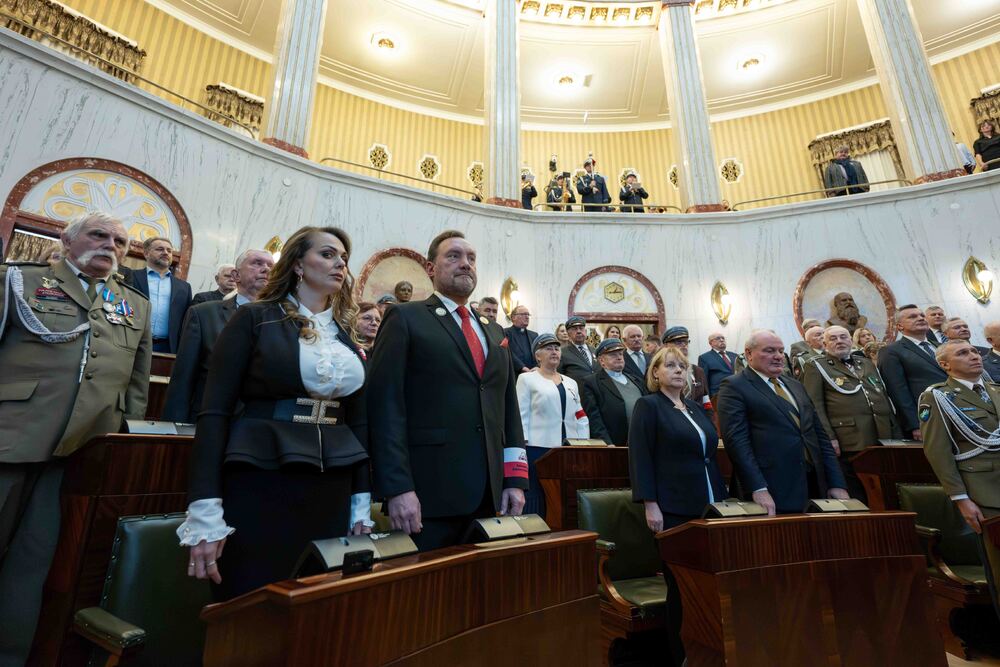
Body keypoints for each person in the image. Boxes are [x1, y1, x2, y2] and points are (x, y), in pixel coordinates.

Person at [178, 226, 371, 601]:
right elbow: (214, 412)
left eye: (344, 259)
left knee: (315, 600)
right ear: (298, 264)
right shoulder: (254, 319)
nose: (340, 264)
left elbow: (357, 421)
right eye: (328, 254)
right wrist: (204, 507)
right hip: (263, 475)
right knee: (253, 595)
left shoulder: (345, 336)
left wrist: (361, 499)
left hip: (331, 482)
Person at [0, 212, 151, 663]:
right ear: (67, 240)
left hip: (80, 452)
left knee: (32, 567)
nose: (110, 245)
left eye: (120, 241)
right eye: (99, 234)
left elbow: (136, 387)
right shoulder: (19, 282)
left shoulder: (134, 304)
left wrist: (123, 445)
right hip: (11, 439)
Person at [367, 230, 526, 552]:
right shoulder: (405, 317)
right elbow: (385, 406)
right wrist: (397, 487)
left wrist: (515, 480)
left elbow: (508, 411)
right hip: (427, 492)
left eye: (471, 258)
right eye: (453, 256)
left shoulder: (494, 331)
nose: (465, 264)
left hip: (488, 493)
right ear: (430, 268)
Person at [629, 345, 727, 667]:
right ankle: (681, 656)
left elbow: (710, 454)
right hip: (673, 508)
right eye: (669, 365)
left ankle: (710, 650)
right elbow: (640, 457)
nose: (677, 371)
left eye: (682, 366)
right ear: (655, 373)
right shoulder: (649, 406)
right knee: (682, 588)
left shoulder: (696, 409)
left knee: (711, 585)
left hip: (711, 505)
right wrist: (650, 503)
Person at [717, 330, 848, 514]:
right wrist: (758, 488)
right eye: (770, 351)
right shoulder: (734, 386)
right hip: (772, 488)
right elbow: (737, 443)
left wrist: (836, 483)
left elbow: (820, 436)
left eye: (780, 351)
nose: (778, 356)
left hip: (815, 485)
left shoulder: (795, 385)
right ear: (748, 354)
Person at [162, 249, 273, 423]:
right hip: (210, 421)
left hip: (258, 427)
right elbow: (183, 380)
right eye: (257, 263)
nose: (266, 269)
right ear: (236, 275)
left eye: (270, 266)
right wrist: (174, 429)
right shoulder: (203, 314)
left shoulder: (283, 320)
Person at [802, 326, 900, 501]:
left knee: (886, 489)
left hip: (882, 435)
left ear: (850, 340)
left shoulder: (866, 362)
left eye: (843, 337)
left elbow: (881, 395)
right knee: (861, 491)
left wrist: (895, 431)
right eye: (833, 338)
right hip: (849, 438)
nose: (839, 341)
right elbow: (815, 405)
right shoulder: (816, 365)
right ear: (824, 344)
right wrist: (829, 437)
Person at [919, 340, 1000, 533]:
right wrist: (960, 498)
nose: (974, 356)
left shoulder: (996, 390)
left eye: (974, 351)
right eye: (962, 353)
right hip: (985, 491)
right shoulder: (938, 397)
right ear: (945, 364)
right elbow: (938, 451)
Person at [516, 334, 589, 515]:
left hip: (567, 448)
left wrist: (584, 443)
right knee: (537, 494)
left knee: (565, 495)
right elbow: (521, 413)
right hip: (536, 447)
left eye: (557, 348)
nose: (554, 351)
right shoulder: (527, 379)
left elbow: (580, 414)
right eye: (548, 348)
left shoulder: (571, 382)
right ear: (537, 355)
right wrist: (522, 443)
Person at [878, 304, 948, 440]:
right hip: (929, 417)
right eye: (912, 317)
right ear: (900, 327)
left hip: (959, 410)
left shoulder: (941, 347)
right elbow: (897, 391)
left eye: (922, 315)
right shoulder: (891, 351)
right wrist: (914, 424)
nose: (920, 318)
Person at [128, 236, 192, 352]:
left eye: (169, 250)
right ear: (146, 253)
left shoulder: (184, 287)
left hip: (167, 347)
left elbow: (185, 322)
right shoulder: (130, 277)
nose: (165, 253)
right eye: (160, 249)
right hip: (131, 343)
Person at [581, 338, 646, 446]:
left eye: (620, 354)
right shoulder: (592, 383)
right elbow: (594, 419)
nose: (619, 357)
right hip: (615, 444)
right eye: (613, 355)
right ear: (601, 361)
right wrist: (606, 444)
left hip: (643, 442)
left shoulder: (637, 380)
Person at [661, 326, 713, 419]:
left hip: (698, 420)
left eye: (686, 342)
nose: (684, 345)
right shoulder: (660, 371)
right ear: (666, 346)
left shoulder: (698, 371)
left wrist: (710, 424)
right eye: (678, 342)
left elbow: (706, 401)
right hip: (672, 421)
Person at [698, 331, 738, 401]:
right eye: (718, 338)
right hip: (718, 396)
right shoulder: (704, 358)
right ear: (711, 343)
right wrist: (707, 401)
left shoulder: (734, 356)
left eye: (723, 338)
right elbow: (704, 381)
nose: (722, 340)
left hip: (738, 394)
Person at [558, 315, 597, 384]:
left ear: (585, 331)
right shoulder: (562, 353)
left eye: (581, 328)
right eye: (575, 329)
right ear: (568, 333)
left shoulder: (595, 351)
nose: (579, 331)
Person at [504, 304, 538, 374]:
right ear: (513, 317)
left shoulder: (534, 335)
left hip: (533, 373)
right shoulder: (505, 333)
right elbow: (507, 352)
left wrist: (537, 366)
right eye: (524, 314)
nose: (527, 317)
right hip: (515, 374)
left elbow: (539, 353)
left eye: (528, 315)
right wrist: (521, 367)